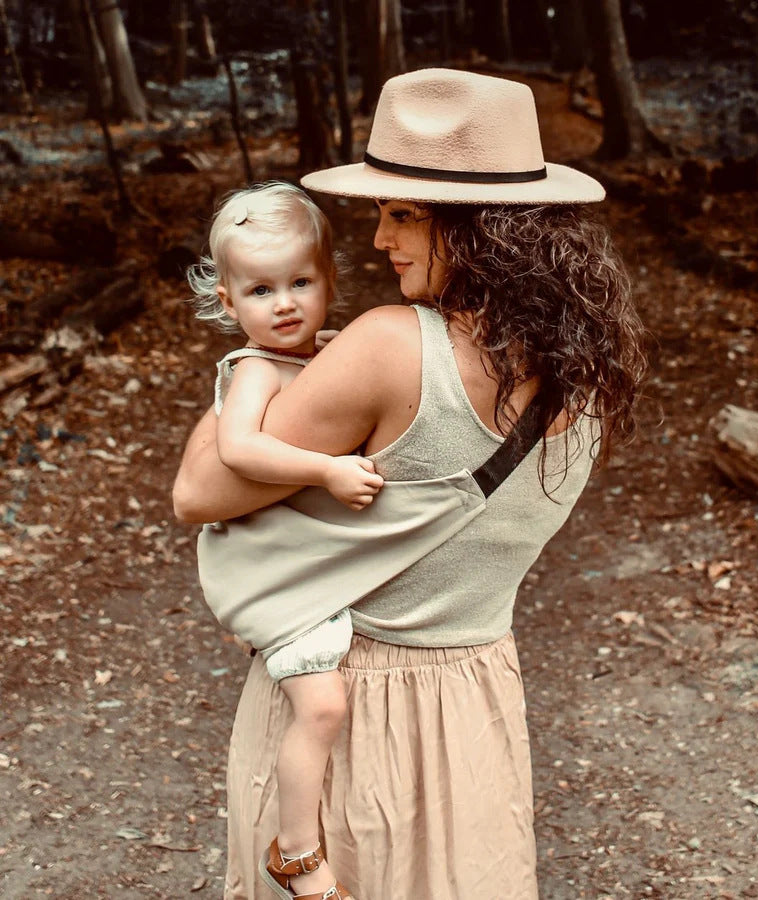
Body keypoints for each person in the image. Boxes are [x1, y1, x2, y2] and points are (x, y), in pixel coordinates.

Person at [173, 68, 647, 899]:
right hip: (476, 708)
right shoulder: (591, 379)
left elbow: (198, 494)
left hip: (350, 716)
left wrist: (250, 367)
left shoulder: (392, 346)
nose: (377, 240)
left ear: (473, 227)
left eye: (401, 214)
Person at [187, 181, 383, 900]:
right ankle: (296, 852)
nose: (285, 304)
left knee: (328, 700)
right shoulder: (256, 369)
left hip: (293, 560)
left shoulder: (318, 354)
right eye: (261, 290)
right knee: (323, 706)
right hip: (263, 567)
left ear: (329, 279)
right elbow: (238, 449)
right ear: (229, 303)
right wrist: (325, 470)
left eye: (300, 282)